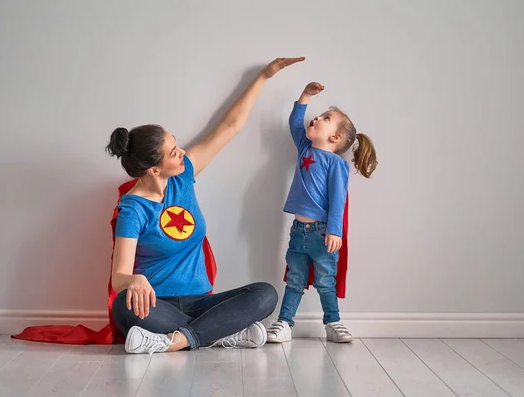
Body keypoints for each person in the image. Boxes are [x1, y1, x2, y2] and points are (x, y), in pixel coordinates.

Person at [106, 57, 305, 354]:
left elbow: (230, 126)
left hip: (201, 301)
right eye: (173, 152)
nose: (182, 153)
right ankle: (219, 332)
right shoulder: (133, 209)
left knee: (265, 294)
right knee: (124, 307)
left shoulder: (182, 176)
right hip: (157, 304)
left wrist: (265, 75)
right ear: (153, 169)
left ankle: (178, 340)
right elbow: (118, 277)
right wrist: (134, 279)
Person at [266, 81, 378, 343]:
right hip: (298, 231)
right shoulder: (305, 148)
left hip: (322, 233)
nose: (316, 118)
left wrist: (334, 230)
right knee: (294, 280)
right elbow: (295, 123)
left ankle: (333, 322)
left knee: (326, 281)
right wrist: (305, 96)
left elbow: (339, 200)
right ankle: (284, 323)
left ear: (335, 137)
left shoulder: (336, 164)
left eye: (326, 118)